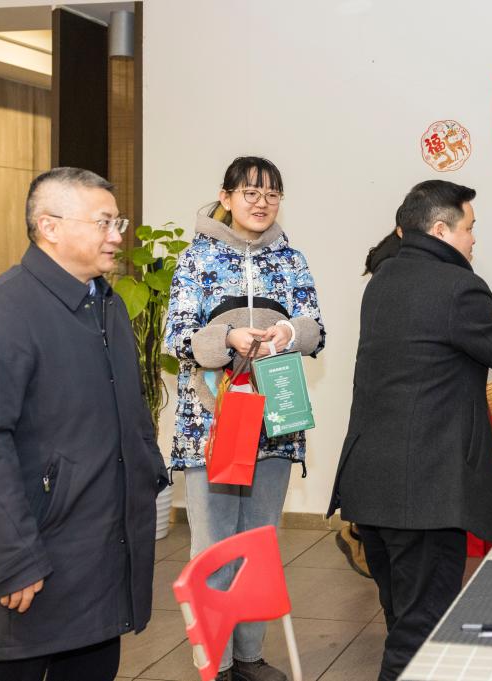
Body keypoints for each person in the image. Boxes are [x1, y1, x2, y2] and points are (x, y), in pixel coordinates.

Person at [327, 180, 492, 681]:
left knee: (402, 619)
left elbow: (437, 345)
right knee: (420, 636)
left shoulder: (384, 279)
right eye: (469, 228)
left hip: (371, 486)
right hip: (424, 494)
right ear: (440, 230)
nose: (474, 239)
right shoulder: (456, 286)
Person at [0, 167, 169, 681]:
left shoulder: (106, 305)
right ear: (49, 227)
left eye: (118, 222)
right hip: (35, 562)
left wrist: (148, 472)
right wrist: (14, 559)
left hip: (99, 557)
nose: (118, 236)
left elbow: (128, 409)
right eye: (104, 222)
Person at [165, 156, 324, 681]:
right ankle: (216, 662)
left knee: (259, 544)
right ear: (226, 197)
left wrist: (289, 334)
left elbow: (316, 329)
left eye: (272, 194)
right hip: (210, 428)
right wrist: (226, 338)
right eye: (250, 193)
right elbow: (176, 336)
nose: (261, 203)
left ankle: (250, 656)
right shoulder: (196, 258)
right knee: (213, 547)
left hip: (275, 423)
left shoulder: (292, 259)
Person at [335, 226, 404, 578]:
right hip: (391, 390)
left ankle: (360, 532)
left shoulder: (392, 259)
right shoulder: (397, 264)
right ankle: (358, 534)